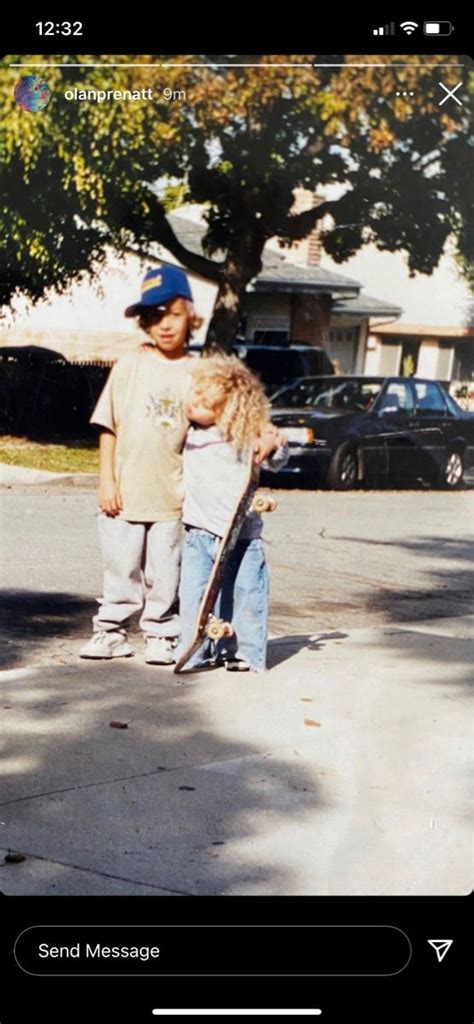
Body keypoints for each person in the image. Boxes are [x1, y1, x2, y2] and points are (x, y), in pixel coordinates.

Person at [80, 264, 200, 664]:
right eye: (154, 317)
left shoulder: (197, 372)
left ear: (191, 316)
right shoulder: (130, 365)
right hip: (125, 492)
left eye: (173, 314)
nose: (164, 325)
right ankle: (111, 631)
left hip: (172, 495)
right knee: (120, 569)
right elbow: (108, 427)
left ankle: (161, 633)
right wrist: (106, 482)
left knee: (165, 573)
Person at [177, 356, 288, 672]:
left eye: (202, 402)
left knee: (245, 593)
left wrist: (272, 443)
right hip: (198, 532)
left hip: (242, 535)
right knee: (194, 595)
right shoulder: (191, 434)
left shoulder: (245, 437)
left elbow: (279, 454)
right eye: (193, 397)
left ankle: (243, 652)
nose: (192, 406)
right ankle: (194, 650)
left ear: (228, 407)